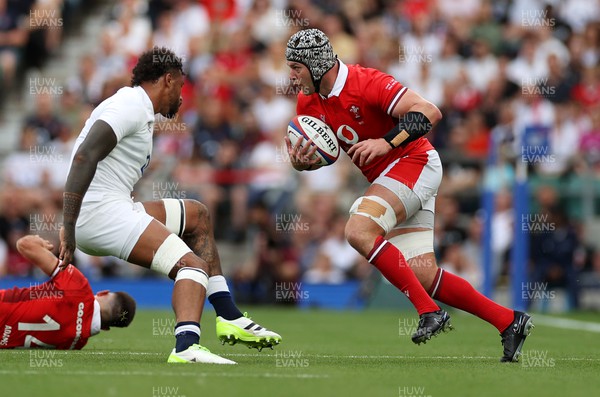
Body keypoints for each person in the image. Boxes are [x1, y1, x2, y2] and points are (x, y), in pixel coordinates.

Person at [284, 29, 533, 362]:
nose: (291, 75)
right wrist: (302, 164)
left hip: (414, 162)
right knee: (423, 274)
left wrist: (386, 142)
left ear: (315, 65)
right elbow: (324, 152)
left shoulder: (366, 81)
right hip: (393, 177)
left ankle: (429, 311)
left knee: (358, 230)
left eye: (295, 67)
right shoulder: (308, 101)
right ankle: (509, 321)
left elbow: (429, 111)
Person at [59, 47, 280, 364]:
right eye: (180, 87)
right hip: (100, 215)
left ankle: (229, 315)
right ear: (167, 80)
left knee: (197, 214)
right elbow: (83, 157)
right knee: (193, 266)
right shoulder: (130, 106)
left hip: (115, 207)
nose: (181, 96)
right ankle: (186, 346)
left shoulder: (136, 106)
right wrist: (68, 227)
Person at [0, 234, 135, 349]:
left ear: (103, 292)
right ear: (106, 328)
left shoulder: (80, 287)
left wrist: (38, 241)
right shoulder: (77, 343)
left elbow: (25, 245)